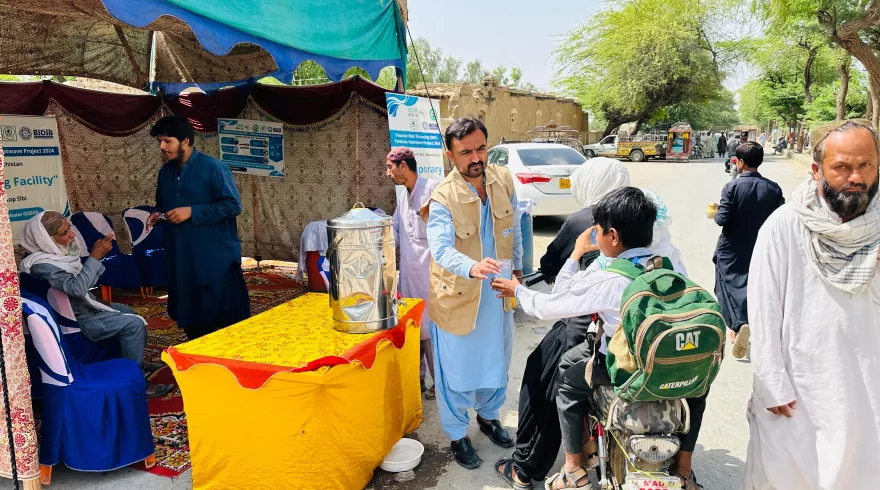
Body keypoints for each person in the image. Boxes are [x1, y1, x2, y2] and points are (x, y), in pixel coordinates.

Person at [493, 188, 704, 489]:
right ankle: (685, 467)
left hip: (624, 371)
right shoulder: (670, 267)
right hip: (669, 366)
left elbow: (550, 304)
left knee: (567, 380)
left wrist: (521, 287)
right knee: (697, 393)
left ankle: (573, 469)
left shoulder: (610, 277)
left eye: (601, 231)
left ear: (613, 236)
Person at [743, 119, 880, 489]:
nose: (855, 176)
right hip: (800, 389)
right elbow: (764, 305)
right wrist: (771, 380)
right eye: (842, 167)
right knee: (790, 474)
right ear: (817, 169)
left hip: (869, 386)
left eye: (865, 165)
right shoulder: (785, 225)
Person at [420, 116, 522, 469]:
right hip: (459, 297)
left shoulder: (503, 179)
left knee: (497, 360)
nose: (475, 158)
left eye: (481, 148)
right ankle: (457, 434)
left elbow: (515, 229)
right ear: (451, 155)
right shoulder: (443, 196)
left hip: (497, 294)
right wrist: (472, 266)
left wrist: (519, 267)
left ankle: (489, 417)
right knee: (456, 370)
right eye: (466, 152)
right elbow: (441, 248)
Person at [20, 212, 173, 397]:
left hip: (81, 310)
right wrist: (95, 257)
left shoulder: (48, 257)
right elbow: (76, 288)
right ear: (45, 240)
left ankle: (131, 361)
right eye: (64, 233)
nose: (72, 235)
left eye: (69, 228)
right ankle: (136, 381)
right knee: (134, 324)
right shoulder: (44, 266)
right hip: (75, 323)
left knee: (125, 310)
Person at [147, 116, 251, 340]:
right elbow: (163, 203)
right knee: (189, 305)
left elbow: (233, 205)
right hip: (181, 253)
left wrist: (193, 211)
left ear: (185, 141)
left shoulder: (213, 168)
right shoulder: (165, 172)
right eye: (160, 142)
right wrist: (158, 214)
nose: (162, 147)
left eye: (167, 141)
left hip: (215, 255)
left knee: (222, 311)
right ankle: (196, 355)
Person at [711, 142, 784, 359]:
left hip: (731, 247)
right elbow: (781, 218)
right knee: (754, 283)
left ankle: (735, 326)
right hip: (760, 245)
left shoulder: (731, 187)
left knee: (726, 284)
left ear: (740, 162)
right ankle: (750, 322)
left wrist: (715, 212)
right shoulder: (773, 188)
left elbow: (721, 219)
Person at [387, 147, 440, 399]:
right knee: (413, 328)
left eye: (390, 167)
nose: (388, 173)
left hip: (429, 276)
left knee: (430, 333)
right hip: (408, 274)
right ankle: (417, 380)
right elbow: (397, 232)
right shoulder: (402, 195)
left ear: (403, 167)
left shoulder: (432, 190)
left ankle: (440, 385)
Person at [539, 157, 628, 281]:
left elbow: (552, 263)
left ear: (588, 183)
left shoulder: (583, 220)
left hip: (598, 291)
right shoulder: (643, 212)